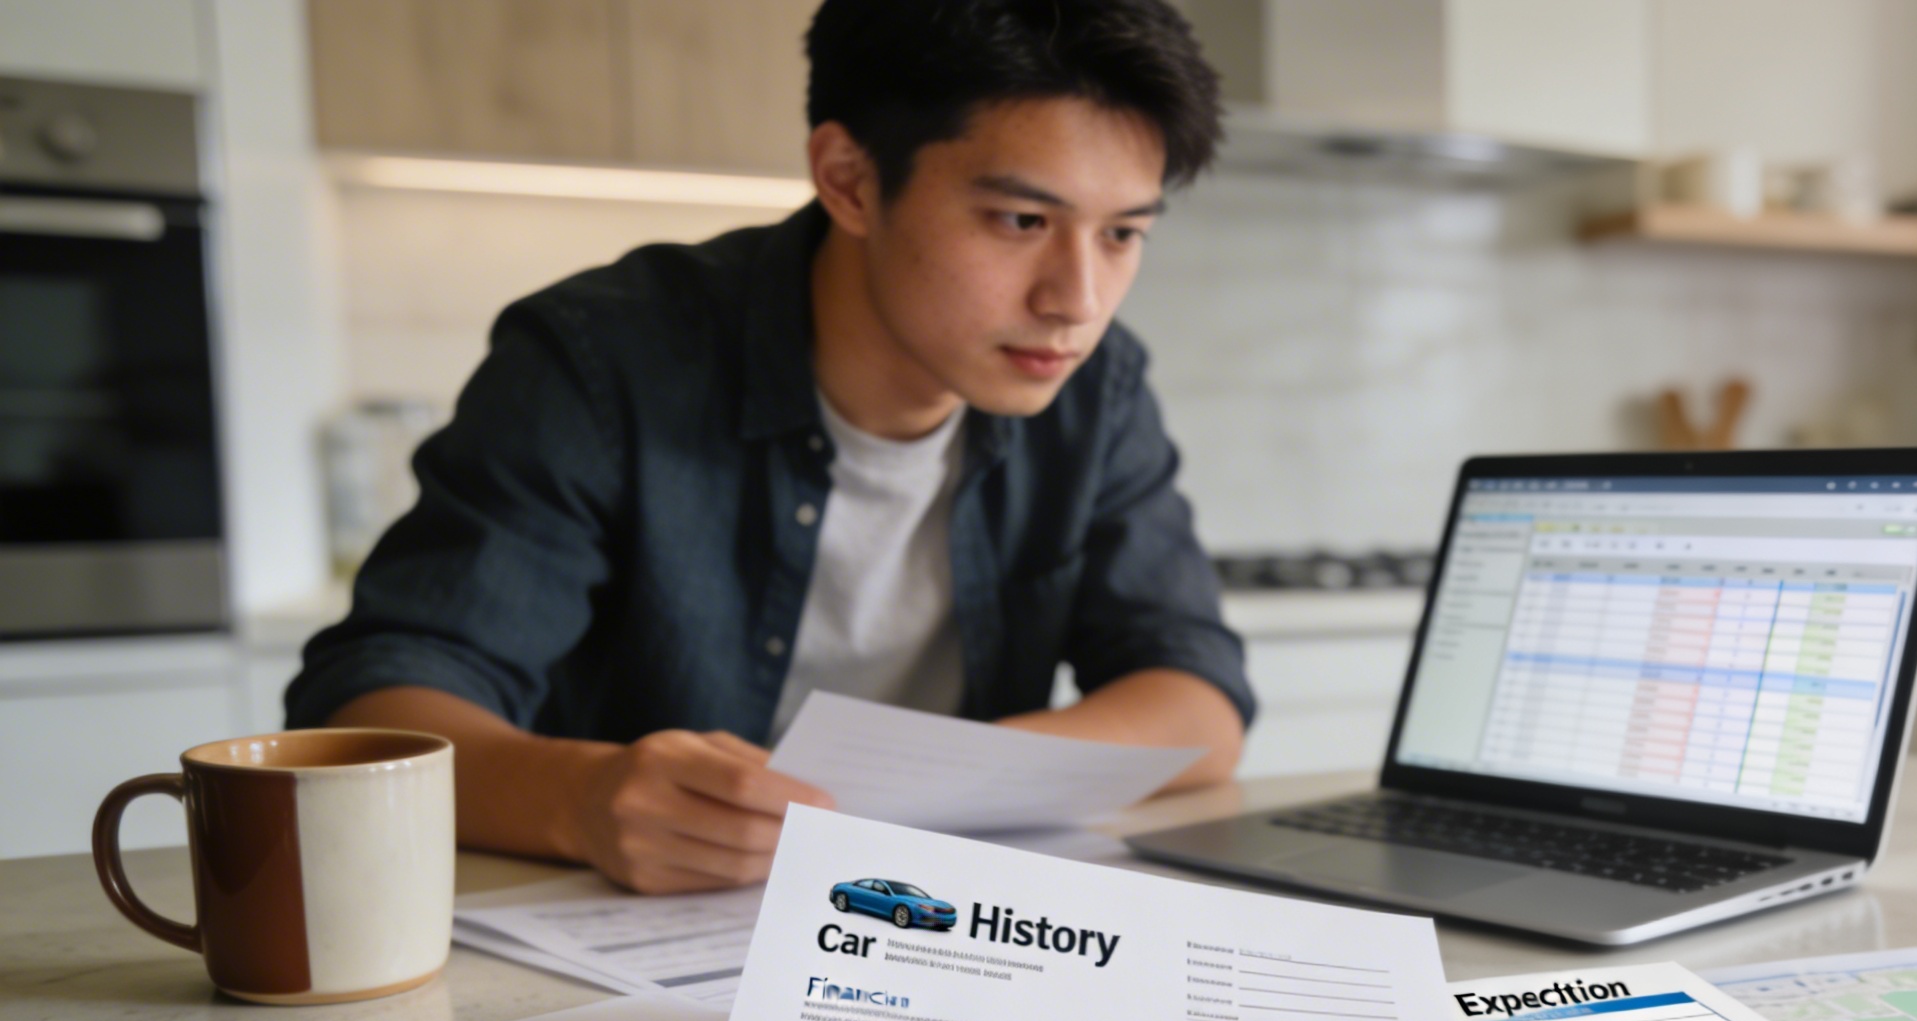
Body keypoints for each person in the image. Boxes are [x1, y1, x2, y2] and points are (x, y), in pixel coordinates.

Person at [288, 0, 1249, 895]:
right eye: (1023, 221)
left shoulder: (1099, 386)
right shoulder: (601, 359)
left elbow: (1199, 707)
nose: (1076, 301)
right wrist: (579, 799)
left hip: (918, 917)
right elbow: (376, 709)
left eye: (1123, 233)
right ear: (850, 180)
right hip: (622, 933)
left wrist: (929, 789)